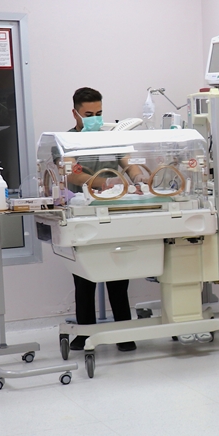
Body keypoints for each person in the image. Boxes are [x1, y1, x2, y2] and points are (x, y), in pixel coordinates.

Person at [67, 87, 145, 352]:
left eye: (99, 113)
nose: (95, 119)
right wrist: (103, 182)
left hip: (113, 212)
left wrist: (137, 177)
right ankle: (85, 333)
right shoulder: (67, 141)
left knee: (118, 274)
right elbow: (71, 174)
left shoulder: (110, 138)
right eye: (89, 114)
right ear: (75, 113)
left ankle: (124, 333)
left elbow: (128, 162)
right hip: (83, 213)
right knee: (85, 277)